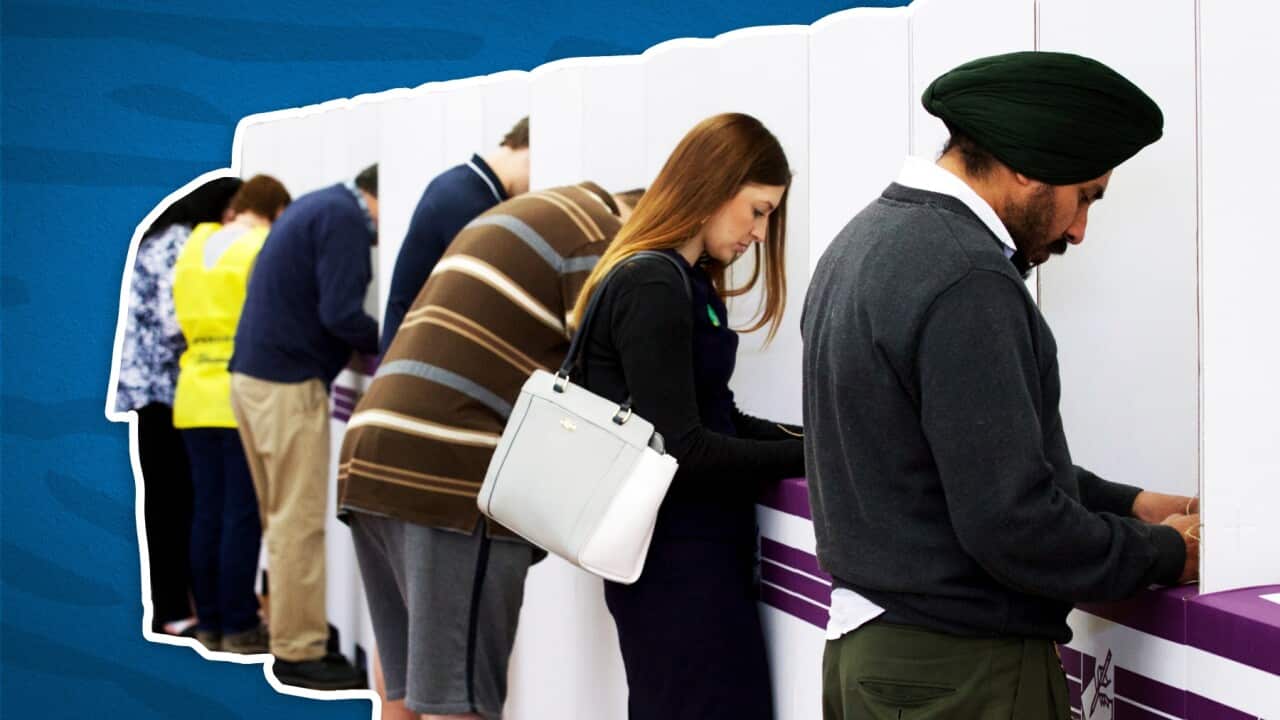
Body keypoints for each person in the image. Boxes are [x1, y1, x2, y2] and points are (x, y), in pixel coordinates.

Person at [802, 52, 1202, 720]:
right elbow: (1013, 525)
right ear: (1025, 165)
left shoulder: (864, 242)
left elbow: (949, 462)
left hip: (877, 663)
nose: (1079, 229)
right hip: (961, 674)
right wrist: (1170, 551)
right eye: (1085, 198)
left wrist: (1132, 504)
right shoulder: (969, 278)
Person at [337, 181, 638, 720]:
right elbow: (609, 382)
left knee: (405, 687)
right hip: (452, 476)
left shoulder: (523, 214)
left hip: (373, 455)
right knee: (459, 703)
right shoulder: (601, 236)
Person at [572, 112, 805, 720]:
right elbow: (685, 450)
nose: (760, 232)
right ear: (712, 186)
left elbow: (717, 417)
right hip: (676, 570)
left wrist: (823, 434)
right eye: (757, 210)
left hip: (696, 561)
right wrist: (825, 451)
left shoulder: (686, 282)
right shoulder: (653, 283)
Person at [228, 164, 379, 690]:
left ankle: (292, 638)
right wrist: (392, 339)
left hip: (253, 378)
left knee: (281, 518)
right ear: (377, 197)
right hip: (285, 385)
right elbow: (341, 312)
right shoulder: (346, 220)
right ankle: (299, 650)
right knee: (299, 522)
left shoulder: (317, 206)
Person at [115, 175, 242, 637]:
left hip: (154, 390)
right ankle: (173, 609)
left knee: (169, 502)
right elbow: (176, 321)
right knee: (172, 504)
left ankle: (175, 605)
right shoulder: (182, 243)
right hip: (164, 391)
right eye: (232, 214)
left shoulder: (164, 236)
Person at [171, 174, 291, 653]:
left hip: (193, 391)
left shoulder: (196, 245)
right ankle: (241, 624)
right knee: (241, 516)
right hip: (241, 392)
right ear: (277, 210)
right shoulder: (262, 246)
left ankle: (212, 622)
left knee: (206, 514)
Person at [381, 116, 531, 350]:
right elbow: (487, 300)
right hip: (416, 357)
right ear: (527, 151)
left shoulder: (459, 184)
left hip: (408, 354)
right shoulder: (469, 202)